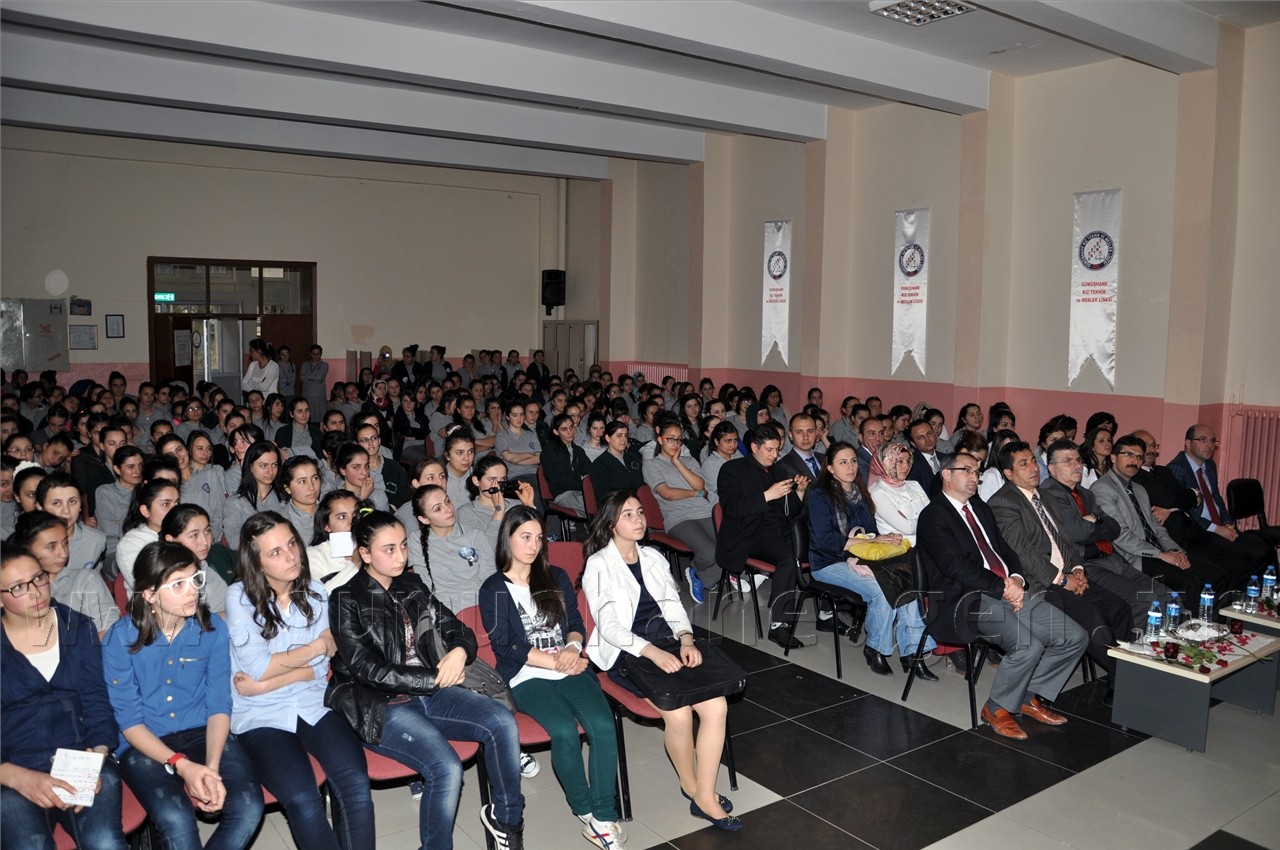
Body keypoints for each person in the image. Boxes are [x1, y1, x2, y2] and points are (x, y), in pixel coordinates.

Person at [327, 509, 526, 850]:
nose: (400, 555)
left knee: (502, 722)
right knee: (446, 767)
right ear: (364, 553)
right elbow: (367, 669)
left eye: (403, 545)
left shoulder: (411, 584)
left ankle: (507, 822)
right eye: (388, 549)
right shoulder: (345, 598)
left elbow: (456, 628)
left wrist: (460, 653)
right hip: (382, 704)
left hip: (432, 690)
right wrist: (433, 678)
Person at [581, 491, 740, 832]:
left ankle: (705, 793)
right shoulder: (598, 565)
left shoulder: (653, 556)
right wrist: (652, 652)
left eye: (640, 512)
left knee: (717, 706)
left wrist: (685, 638)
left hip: (667, 641)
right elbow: (608, 626)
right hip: (627, 652)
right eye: (628, 515)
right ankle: (694, 788)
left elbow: (672, 603)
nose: (638, 519)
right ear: (611, 524)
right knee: (679, 714)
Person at [479, 508, 626, 850]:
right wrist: (556, 661)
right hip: (527, 675)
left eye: (538, 538)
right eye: (524, 537)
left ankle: (603, 817)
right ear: (507, 539)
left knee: (603, 724)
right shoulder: (493, 588)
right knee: (562, 730)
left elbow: (575, 620)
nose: (533, 545)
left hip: (568, 664)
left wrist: (573, 649)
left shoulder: (554, 575)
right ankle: (584, 810)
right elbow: (506, 644)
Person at [102, 541, 264, 850]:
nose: (192, 590)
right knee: (175, 817)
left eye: (195, 579)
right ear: (149, 594)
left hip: (203, 731)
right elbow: (130, 722)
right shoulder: (120, 639)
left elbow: (218, 703)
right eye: (178, 584)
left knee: (247, 807)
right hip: (145, 742)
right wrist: (182, 765)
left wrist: (212, 768)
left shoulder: (212, 627)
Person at [228, 512, 375, 850]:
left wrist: (272, 677)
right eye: (275, 552)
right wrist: (313, 650)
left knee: (355, 784)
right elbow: (260, 666)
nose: (291, 555)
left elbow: (321, 662)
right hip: (258, 713)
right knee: (303, 798)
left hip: (311, 699)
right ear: (258, 563)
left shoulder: (316, 591)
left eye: (291, 543)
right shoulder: (239, 596)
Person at [917, 456, 1088, 741]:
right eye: (967, 471)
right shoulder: (933, 515)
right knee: (1027, 646)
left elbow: (1005, 551)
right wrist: (1003, 588)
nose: (975, 477)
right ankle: (996, 707)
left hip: (1008, 589)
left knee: (1074, 636)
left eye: (977, 471)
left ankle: (1026, 695)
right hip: (966, 599)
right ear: (946, 474)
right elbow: (954, 566)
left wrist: (1018, 579)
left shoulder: (980, 508)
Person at [0, 548, 127, 850]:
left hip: (81, 754)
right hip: (12, 768)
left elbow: (97, 700)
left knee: (105, 842)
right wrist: (15, 777)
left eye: (38, 579)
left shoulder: (77, 626)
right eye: (18, 587)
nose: (35, 592)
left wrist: (96, 756)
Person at [987, 442, 1133, 682]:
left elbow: (1065, 540)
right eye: (1024, 464)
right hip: (1040, 584)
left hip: (1068, 574)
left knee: (1119, 608)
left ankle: (1118, 677)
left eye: (1033, 461)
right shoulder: (1003, 503)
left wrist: (1077, 570)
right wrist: (1063, 579)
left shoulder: (1045, 496)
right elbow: (1024, 554)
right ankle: (1126, 679)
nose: (1033, 468)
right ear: (1009, 474)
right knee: (1093, 619)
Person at [809, 442, 936, 678]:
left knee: (905, 580)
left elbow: (867, 530)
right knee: (881, 589)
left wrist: (880, 538)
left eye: (854, 461)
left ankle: (913, 653)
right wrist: (860, 549)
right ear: (830, 468)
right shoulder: (819, 495)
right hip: (828, 562)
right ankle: (875, 648)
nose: (850, 467)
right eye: (843, 462)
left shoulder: (859, 492)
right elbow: (825, 540)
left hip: (858, 555)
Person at [714, 426, 808, 649]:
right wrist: (767, 495)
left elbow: (790, 511)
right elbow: (732, 509)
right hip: (749, 533)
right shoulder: (732, 469)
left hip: (779, 528)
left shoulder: (778, 470)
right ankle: (779, 625)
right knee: (788, 557)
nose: (774, 455)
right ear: (754, 447)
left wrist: (799, 492)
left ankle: (826, 614)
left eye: (777, 449)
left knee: (819, 547)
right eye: (769, 449)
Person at [643, 420, 720, 604]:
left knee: (730, 546)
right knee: (710, 553)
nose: (675, 444)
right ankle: (699, 570)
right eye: (670, 439)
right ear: (660, 439)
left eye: (679, 440)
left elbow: (701, 485)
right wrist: (695, 493)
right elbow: (667, 493)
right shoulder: (651, 465)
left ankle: (700, 574)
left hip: (704, 510)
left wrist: (677, 462)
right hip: (679, 517)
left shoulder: (689, 460)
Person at [156, 433, 226, 545]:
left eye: (179, 450)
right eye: (170, 454)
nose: (177, 456)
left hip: (215, 540)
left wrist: (210, 537)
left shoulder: (210, 475)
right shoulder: (169, 490)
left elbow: (220, 511)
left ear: (187, 449)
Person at [117, 479, 182, 593]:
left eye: (177, 503)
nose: (175, 510)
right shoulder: (132, 544)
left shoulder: (183, 533)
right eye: (166, 504)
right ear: (145, 510)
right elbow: (149, 588)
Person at [35, 471, 106, 572]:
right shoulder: (29, 544)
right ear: (40, 507)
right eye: (56, 503)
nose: (66, 510)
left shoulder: (96, 541)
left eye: (72, 502)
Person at [224, 441, 287, 550]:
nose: (270, 471)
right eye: (263, 466)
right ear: (251, 467)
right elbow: (235, 541)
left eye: (274, 465)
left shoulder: (284, 499)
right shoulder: (234, 502)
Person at [868, 442, 930, 544]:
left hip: (928, 542)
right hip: (903, 550)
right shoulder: (878, 493)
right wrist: (927, 519)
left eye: (908, 461)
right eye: (900, 461)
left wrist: (912, 521)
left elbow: (934, 515)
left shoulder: (914, 485)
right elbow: (908, 529)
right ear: (887, 462)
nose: (906, 466)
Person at [542, 413, 591, 516]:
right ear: (556, 432)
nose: (570, 432)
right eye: (564, 429)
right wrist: (582, 483)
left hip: (580, 491)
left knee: (609, 500)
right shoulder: (549, 451)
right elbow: (558, 478)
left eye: (571, 427)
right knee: (597, 504)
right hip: (563, 494)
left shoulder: (578, 450)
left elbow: (589, 471)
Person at [588, 421, 644, 502]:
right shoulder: (600, 464)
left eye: (626, 435)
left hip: (638, 502)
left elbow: (643, 484)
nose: (624, 439)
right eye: (619, 436)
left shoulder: (633, 457)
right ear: (608, 438)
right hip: (615, 505)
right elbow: (603, 496)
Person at [300, 345, 329, 424]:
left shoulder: (324, 365)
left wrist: (307, 377)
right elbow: (301, 378)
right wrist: (314, 378)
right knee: (306, 417)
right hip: (307, 394)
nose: (315, 356)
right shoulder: (305, 364)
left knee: (319, 419)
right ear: (310, 354)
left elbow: (319, 377)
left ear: (321, 354)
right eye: (313, 353)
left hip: (319, 395)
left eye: (318, 354)